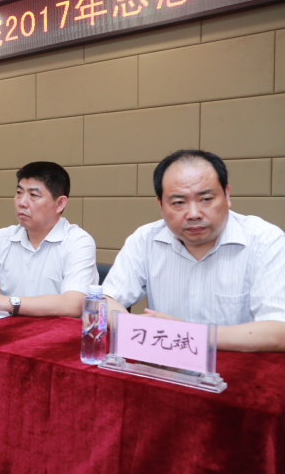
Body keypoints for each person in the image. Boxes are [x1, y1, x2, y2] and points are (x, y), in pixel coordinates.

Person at [103, 150, 285, 352]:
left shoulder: (266, 241)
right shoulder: (145, 239)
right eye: (178, 203)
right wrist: (137, 326)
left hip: (237, 367)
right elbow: (103, 302)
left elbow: (279, 332)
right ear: (161, 205)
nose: (194, 214)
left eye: (206, 199)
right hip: (165, 364)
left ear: (227, 195)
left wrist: (186, 333)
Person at [0, 161, 98, 318]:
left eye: (33, 195)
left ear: (60, 204)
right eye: (19, 192)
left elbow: (74, 304)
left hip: (57, 332)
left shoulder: (79, 242)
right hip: (8, 331)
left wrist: (5, 302)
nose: (22, 202)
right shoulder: (0, 239)